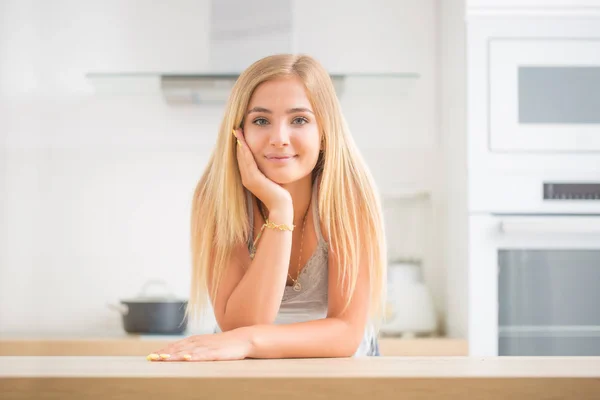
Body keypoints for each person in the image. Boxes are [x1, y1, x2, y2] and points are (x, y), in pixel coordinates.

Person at [148, 54, 387, 362]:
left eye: (299, 120)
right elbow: (239, 325)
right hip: (249, 364)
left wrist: (249, 341)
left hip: (339, 366)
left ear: (324, 133)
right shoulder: (215, 197)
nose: (279, 139)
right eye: (261, 120)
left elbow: (345, 333)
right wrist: (280, 210)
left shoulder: (348, 195)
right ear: (239, 131)